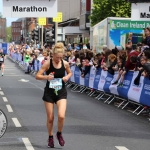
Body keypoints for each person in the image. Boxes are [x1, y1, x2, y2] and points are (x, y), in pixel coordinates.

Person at [35, 42, 72, 148]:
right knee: (50, 118)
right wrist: (47, 77)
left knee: (61, 116)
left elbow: (70, 72)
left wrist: (67, 77)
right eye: (57, 57)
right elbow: (37, 76)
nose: (58, 59)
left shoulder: (65, 63)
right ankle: (50, 137)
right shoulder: (48, 63)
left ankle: (59, 134)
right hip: (49, 93)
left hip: (61, 92)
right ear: (53, 55)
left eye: (60, 57)